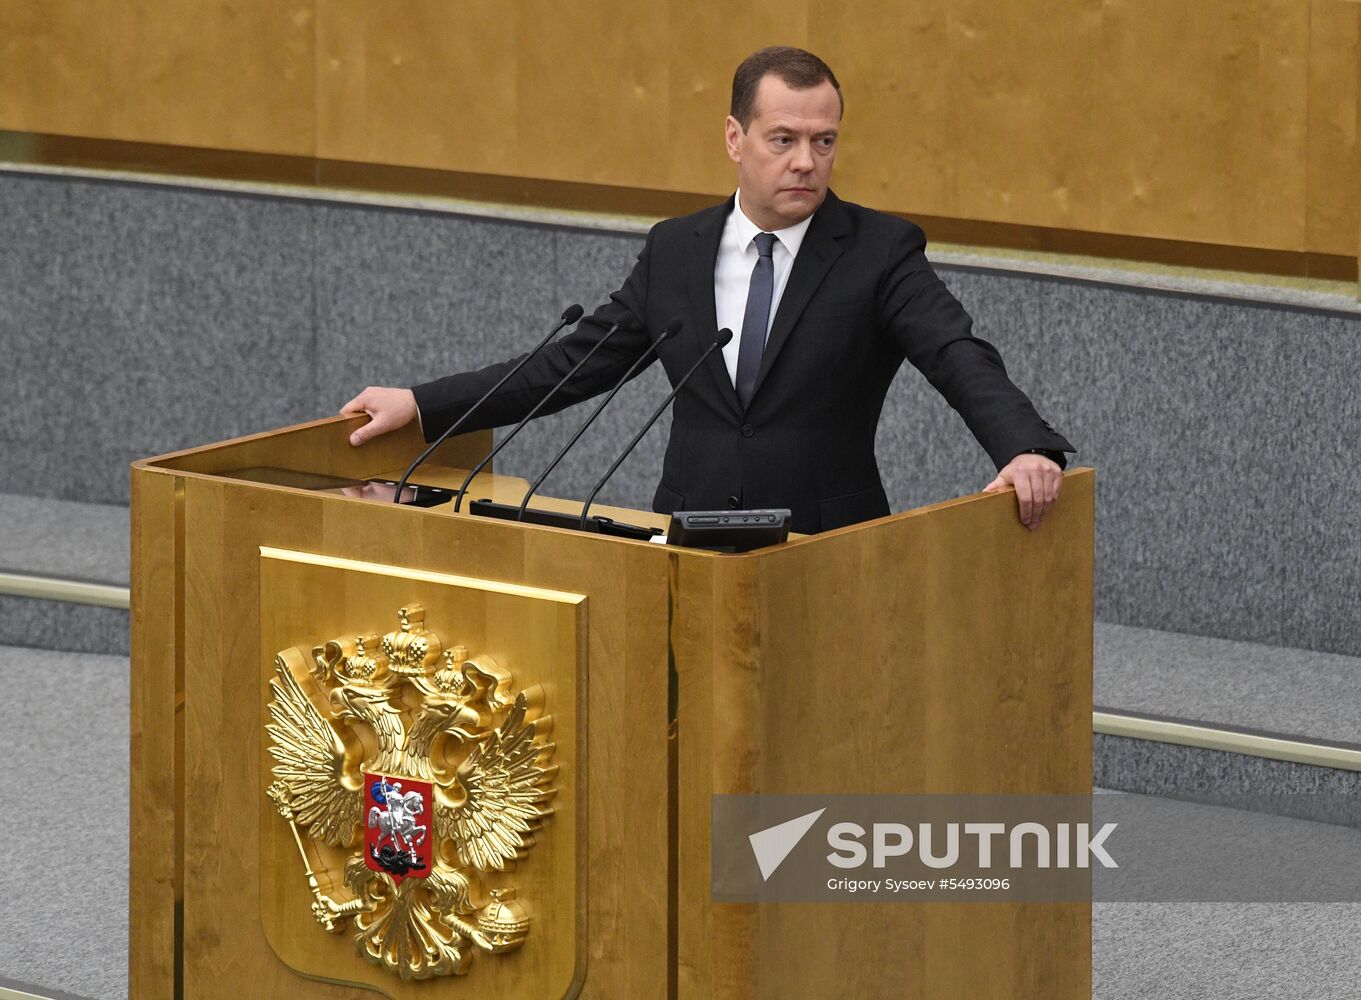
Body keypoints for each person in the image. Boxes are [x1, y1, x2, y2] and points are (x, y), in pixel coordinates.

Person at [342, 46, 1073, 535]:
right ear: (734, 137)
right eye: (782, 139)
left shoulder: (878, 250)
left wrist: (1022, 448)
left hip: (822, 547)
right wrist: (422, 403)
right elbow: (569, 367)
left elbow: (956, 351)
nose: (805, 162)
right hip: (686, 538)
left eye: (824, 141)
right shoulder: (675, 250)